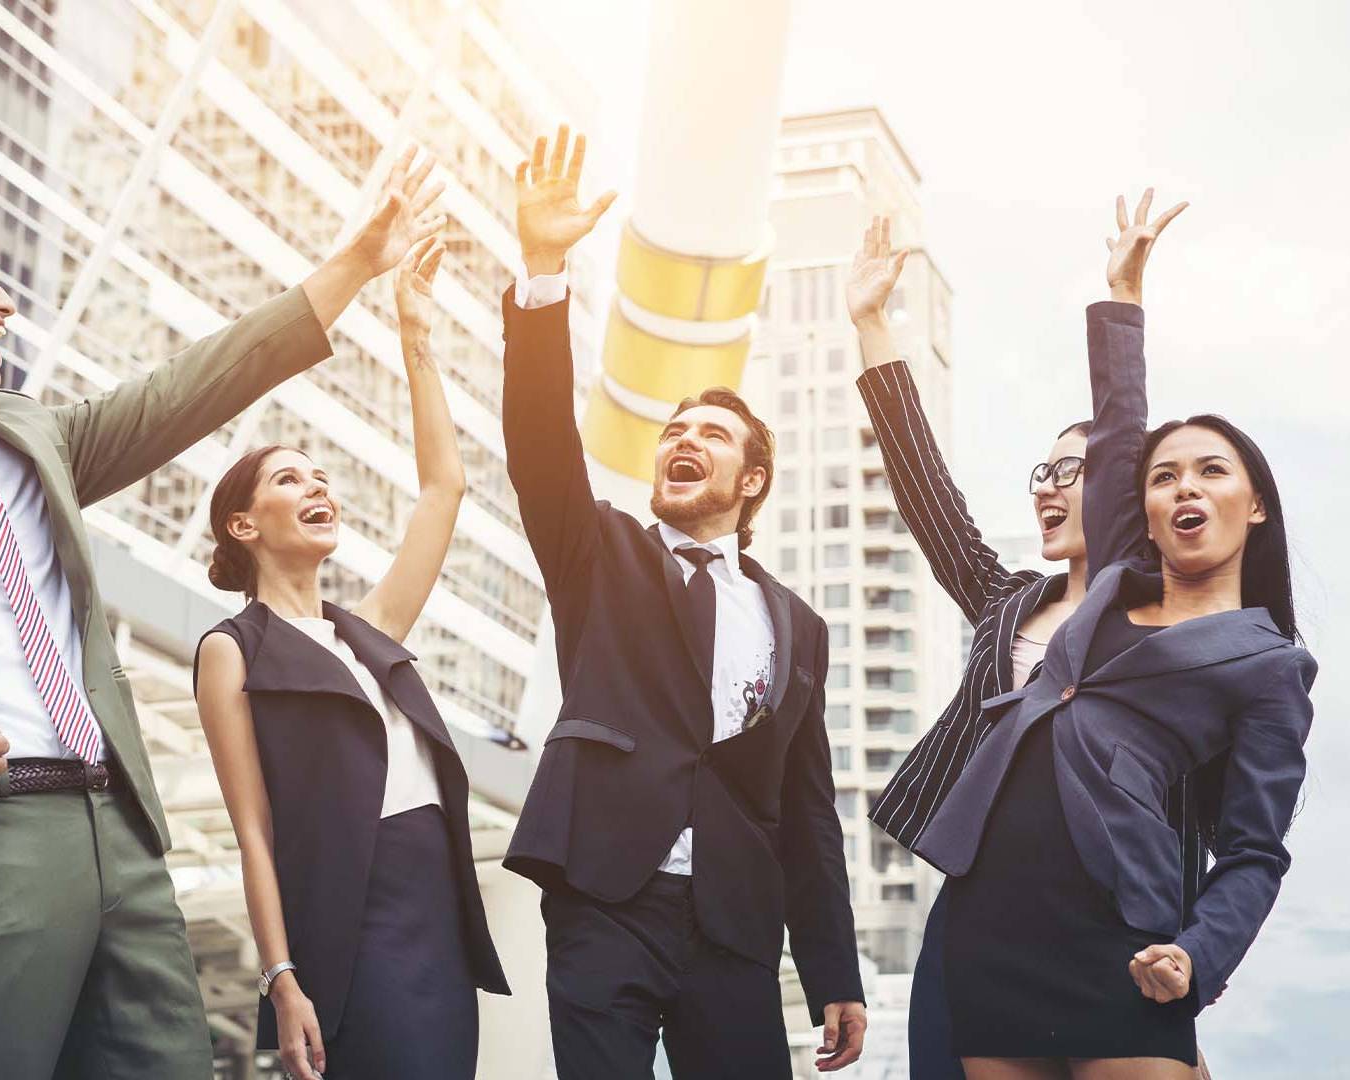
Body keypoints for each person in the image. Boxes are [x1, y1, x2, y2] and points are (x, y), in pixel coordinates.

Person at [0, 147, 444, 1078]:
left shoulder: (31, 436)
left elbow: (197, 384)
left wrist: (354, 262)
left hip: (122, 834)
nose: (5, 302)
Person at [915, 192, 1317, 1079]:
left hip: (1123, 937)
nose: (1184, 488)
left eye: (1212, 472)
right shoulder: (1104, 592)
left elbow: (1254, 848)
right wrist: (1123, 297)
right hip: (993, 923)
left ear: (1253, 507)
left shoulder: (1270, 667)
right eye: (1164, 475)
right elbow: (1120, 426)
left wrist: (1199, 956)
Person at [499, 126, 866, 1079]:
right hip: (604, 898)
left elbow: (808, 806)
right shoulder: (600, 552)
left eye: (709, 432)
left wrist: (833, 967)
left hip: (734, 927)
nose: (681, 440)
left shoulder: (799, 628)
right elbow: (541, 447)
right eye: (674, 429)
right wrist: (543, 271)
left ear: (752, 481)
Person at [851, 205, 1210, 1079]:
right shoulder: (1005, 603)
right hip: (986, 908)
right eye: (1038, 473)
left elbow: (1198, 792)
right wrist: (871, 326)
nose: (1045, 488)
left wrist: (1123, 297)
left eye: (1069, 471)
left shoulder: (1160, 621)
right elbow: (925, 488)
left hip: (1117, 912)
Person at [193, 235, 508, 1080]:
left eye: (322, 476)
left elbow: (445, 490)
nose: (319, 488)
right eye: (292, 480)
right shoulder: (230, 651)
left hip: (435, 906)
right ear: (244, 525)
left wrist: (417, 341)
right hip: (345, 921)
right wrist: (280, 977)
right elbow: (253, 831)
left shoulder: (371, 629)